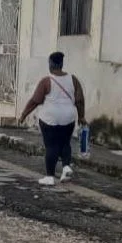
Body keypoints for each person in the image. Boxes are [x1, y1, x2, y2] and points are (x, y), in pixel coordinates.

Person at [18, 52, 86, 186]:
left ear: (50, 64)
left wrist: (23, 115)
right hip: (69, 117)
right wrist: (81, 116)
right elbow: (79, 100)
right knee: (65, 143)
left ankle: (49, 176)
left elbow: (35, 101)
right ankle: (66, 167)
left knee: (51, 146)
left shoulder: (46, 81)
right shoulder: (73, 79)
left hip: (50, 117)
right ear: (61, 64)